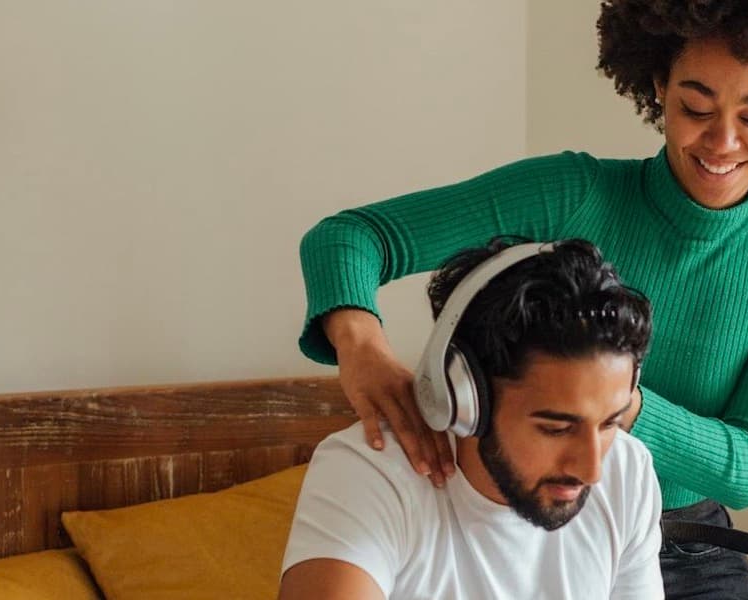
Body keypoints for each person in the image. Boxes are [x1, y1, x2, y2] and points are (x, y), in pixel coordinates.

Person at [295, 1, 748, 597]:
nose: (723, 141)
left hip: (689, 548)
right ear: (658, 87)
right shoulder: (572, 192)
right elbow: (349, 238)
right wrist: (359, 342)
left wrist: (609, 402)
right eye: (695, 107)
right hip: (536, 516)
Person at [280, 238, 663, 600]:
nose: (592, 469)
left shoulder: (628, 470)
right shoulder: (370, 472)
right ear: (464, 400)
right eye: (556, 429)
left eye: (609, 423)